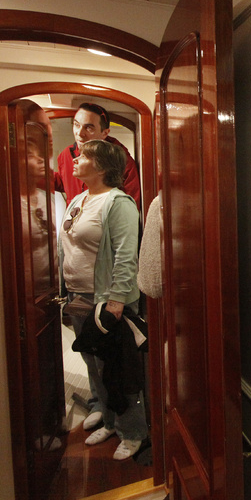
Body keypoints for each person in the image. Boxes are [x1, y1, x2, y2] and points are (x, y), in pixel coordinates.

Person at [57, 139, 147, 460]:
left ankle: (134, 432)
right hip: (78, 297)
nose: (76, 159)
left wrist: (117, 301)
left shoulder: (119, 202)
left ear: (102, 166)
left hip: (106, 301)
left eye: (84, 156)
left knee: (118, 371)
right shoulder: (79, 199)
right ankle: (110, 422)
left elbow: (126, 255)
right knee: (94, 370)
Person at [55, 102, 141, 209]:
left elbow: (131, 205)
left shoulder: (121, 160)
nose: (80, 133)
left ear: (104, 133)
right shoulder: (66, 154)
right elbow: (63, 182)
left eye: (89, 128)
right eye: (76, 125)